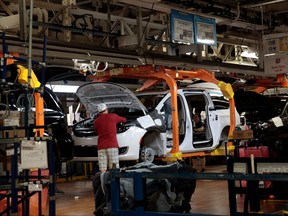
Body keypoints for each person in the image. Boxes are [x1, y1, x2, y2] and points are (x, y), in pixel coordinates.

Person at [93, 103, 126, 172]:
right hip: (112, 146)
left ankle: (103, 182)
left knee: (102, 168)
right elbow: (124, 119)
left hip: (101, 147)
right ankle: (113, 182)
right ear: (106, 109)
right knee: (114, 167)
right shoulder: (113, 116)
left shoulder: (96, 122)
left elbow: (96, 131)